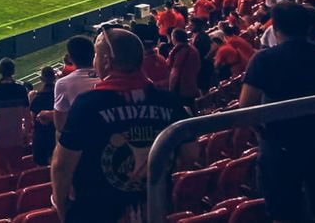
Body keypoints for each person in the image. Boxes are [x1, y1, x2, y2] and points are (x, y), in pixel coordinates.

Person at [50, 27, 193, 223]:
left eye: (96, 56)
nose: (94, 61)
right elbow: (191, 152)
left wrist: (64, 212)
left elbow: (61, 167)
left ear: (106, 60)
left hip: (98, 213)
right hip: (152, 209)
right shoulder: (168, 101)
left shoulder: (87, 105)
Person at [240, 2, 315, 223]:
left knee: (284, 212)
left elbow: (246, 107)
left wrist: (262, 133)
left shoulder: (263, 59)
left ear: (276, 29)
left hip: (280, 145)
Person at [0, 57, 32, 176]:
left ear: (0, 71)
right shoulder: (21, 90)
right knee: (16, 170)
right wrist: (25, 133)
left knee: (0, 171)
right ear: (13, 71)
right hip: (16, 137)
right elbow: (27, 116)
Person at [54, 36, 97, 132]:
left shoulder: (63, 83)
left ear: (69, 58)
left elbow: (60, 125)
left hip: (85, 137)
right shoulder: (110, 76)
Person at [29, 67, 57, 167]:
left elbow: (31, 120)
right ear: (54, 77)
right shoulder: (59, 94)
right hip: (57, 136)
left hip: (42, 139)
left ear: (41, 79)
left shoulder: (37, 98)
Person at [167, 28, 201, 110]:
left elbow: (175, 72)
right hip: (192, 86)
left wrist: (170, 89)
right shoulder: (193, 50)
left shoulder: (179, 52)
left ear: (174, 38)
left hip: (181, 89)